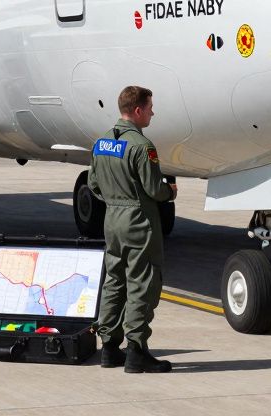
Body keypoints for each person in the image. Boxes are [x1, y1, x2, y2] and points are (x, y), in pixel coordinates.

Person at [89, 85, 178, 374]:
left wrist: (115, 200)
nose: (153, 112)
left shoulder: (101, 142)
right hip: (138, 221)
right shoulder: (142, 146)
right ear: (138, 110)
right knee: (142, 282)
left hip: (112, 220)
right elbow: (154, 188)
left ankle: (109, 348)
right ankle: (137, 351)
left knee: (114, 281)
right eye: (150, 108)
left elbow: (93, 184)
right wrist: (170, 191)